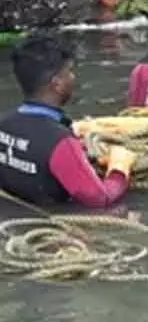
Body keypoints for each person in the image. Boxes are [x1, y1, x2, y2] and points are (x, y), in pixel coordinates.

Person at [0, 32, 136, 207]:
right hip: (56, 224)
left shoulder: (4, 124)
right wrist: (119, 168)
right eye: (70, 71)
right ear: (57, 83)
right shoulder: (60, 142)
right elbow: (99, 199)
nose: (73, 77)